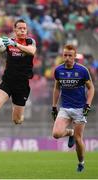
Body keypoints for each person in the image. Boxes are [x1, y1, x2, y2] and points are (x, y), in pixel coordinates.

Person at [51, 44, 94, 172]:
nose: (67, 58)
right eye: (65, 55)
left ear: (75, 56)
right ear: (62, 55)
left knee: (78, 139)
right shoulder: (58, 70)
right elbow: (57, 87)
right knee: (56, 134)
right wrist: (54, 106)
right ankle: (70, 132)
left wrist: (88, 104)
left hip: (80, 109)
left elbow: (91, 88)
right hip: (65, 108)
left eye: (70, 55)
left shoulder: (82, 70)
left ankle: (81, 162)